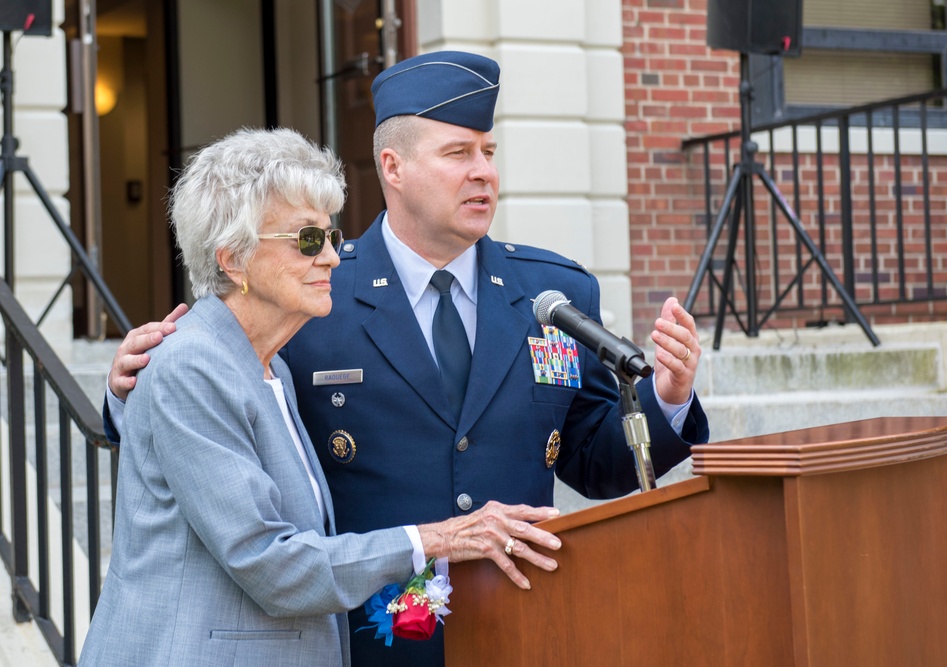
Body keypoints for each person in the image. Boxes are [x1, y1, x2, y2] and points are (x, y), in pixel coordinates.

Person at [105, 52, 710, 666]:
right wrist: (130, 387)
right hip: (370, 639)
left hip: (518, 626)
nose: (482, 174)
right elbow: (214, 403)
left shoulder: (554, 295)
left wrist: (668, 397)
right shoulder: (312, 298)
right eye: (457, 154)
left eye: (488, 153)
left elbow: (597, 460)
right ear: (393, 167)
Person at [81, 127, 563, 667]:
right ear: (233, 260)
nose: (332, 256)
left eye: (331, 236)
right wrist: (440, 538)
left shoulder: (272, 368)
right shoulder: (194, 364)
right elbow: (270, 564)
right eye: (307, 240)